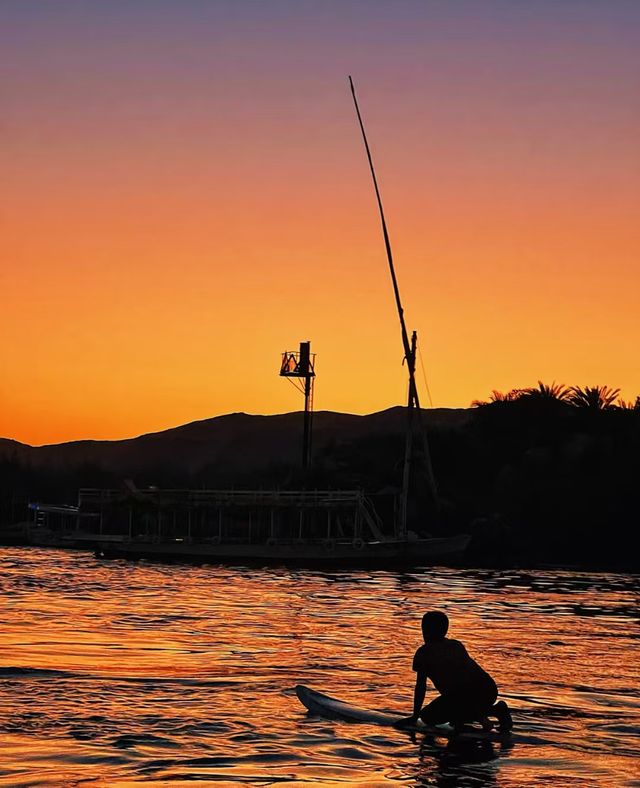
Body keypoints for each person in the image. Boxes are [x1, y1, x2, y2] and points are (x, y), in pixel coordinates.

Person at [395, 611, 512, 731]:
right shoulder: (456, 645)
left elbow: (421, 686)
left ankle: (485, 713)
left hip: (468, 694)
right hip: (489, 689)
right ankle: (484, 713)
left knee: (427, 717)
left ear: (425, 631)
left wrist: (415, 716)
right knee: (456, 706)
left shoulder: (423, 653)